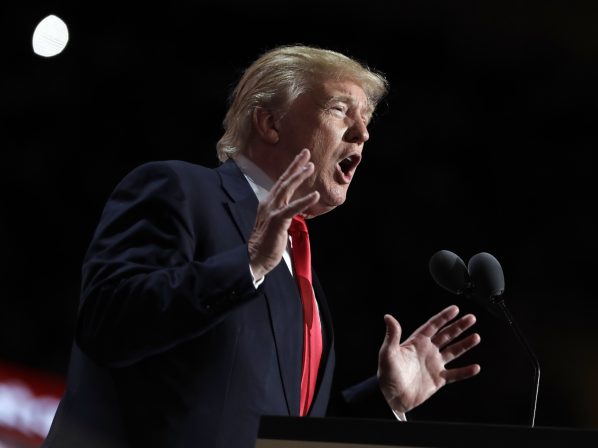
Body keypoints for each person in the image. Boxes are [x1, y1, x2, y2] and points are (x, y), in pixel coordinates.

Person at [42, 44, 481, 448]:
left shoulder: (307, 285)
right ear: (270, 123)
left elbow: (280, 429)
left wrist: (385, 399)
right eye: (340, 109)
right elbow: (106, 323)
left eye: (366, 118)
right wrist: (246, 266)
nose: (363, 133)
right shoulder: (179, 190)